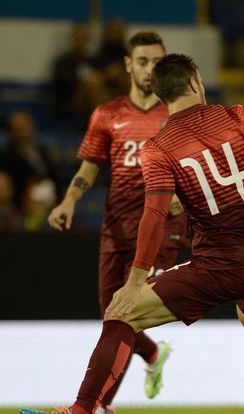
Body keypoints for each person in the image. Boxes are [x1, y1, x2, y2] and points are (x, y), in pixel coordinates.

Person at [21, 54, 244, 414]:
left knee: (121, 315)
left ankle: (82, 410)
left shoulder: (157, 148)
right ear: (193, 83)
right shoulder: (238, 116)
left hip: (216, 268)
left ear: (161, 96)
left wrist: (136, 280)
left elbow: (154, 212)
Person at [46, 31, 184, 410]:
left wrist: (182, 199)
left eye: (156, 62)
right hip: (115, 229)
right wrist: (69, 201)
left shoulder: (175, 115)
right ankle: (154, 356)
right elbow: (89, 168)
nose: (148, 69)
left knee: (125, 316)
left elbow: (196, 167)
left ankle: (100, 404)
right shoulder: (107, 115)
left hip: (160, 231)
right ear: (127, 64)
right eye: (141, 61)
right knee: (113, 317)